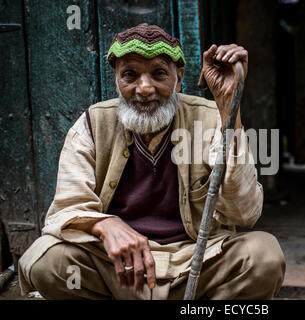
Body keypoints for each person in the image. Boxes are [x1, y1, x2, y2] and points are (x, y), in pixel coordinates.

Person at [18, 23, 285, 300]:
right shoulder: (93, 123)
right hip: (118, 270)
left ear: (179, 78)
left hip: (196, 263)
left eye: (159, 74)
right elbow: (66, 209)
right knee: (49, 261)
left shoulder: (210, 118)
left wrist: (230, 111)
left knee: (263, 256)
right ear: (117, 81)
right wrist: (105, 225)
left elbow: (244, 213)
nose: (144, 89)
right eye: (130, 75)